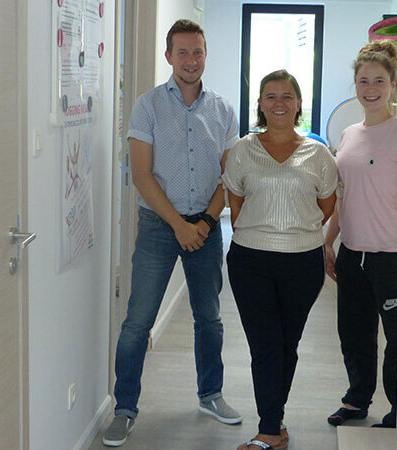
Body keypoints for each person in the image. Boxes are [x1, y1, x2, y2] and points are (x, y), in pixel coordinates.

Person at [102, 19, 242, 447]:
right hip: (158, 227)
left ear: (205, 55)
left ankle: (210, 395)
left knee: (209, 318)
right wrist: (179, 226)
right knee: (137, 322)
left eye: (197, 52)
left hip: (205, 227)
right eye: (182, 52)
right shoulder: (147, 106)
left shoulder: (222, 110)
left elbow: (229, 176)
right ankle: (124, 409)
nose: (190, 60)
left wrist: (204, 224)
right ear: (169, 56)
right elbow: (141, 175)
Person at [223, 70, 338, 449]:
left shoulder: (319, 154)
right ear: (259, 103)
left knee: (287, 344)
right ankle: (270, 430)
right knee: (266, 346)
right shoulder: (243, 150)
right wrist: (264, 231)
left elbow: (325, 207)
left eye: (287, 96)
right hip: (250, 262)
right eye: (270, 96)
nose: (279, 103)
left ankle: (275, 422)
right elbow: (236, 205)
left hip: (302, 264)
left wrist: (294, 232)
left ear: (299, 103)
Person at [324, 39, 397, 429]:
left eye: (379, 81)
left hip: (393, 256)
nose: (370, 89)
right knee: (354, 334)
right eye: (363, 81)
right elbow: (344, 196)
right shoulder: (348, 135)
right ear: (355, 85)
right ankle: (356, 401)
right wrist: (328, 240)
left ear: (393, 85)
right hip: (352, 253)